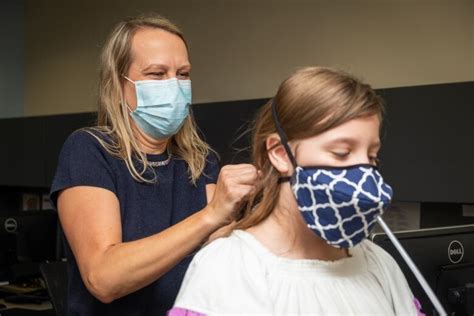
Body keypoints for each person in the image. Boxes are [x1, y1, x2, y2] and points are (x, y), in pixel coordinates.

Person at [50, 14, 258, 316]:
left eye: (183, 74)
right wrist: (210, 215)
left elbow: (217, 244)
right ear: (119, 84)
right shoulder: (89, 150)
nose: (174, 86)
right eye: (157, 74)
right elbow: (104, 278)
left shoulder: (199, 160)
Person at [171, 67, 421, 315]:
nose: (364, 172)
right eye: (342, 153)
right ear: (281, 154)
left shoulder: (378, 264)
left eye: (371, 156)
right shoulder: (231, 267)